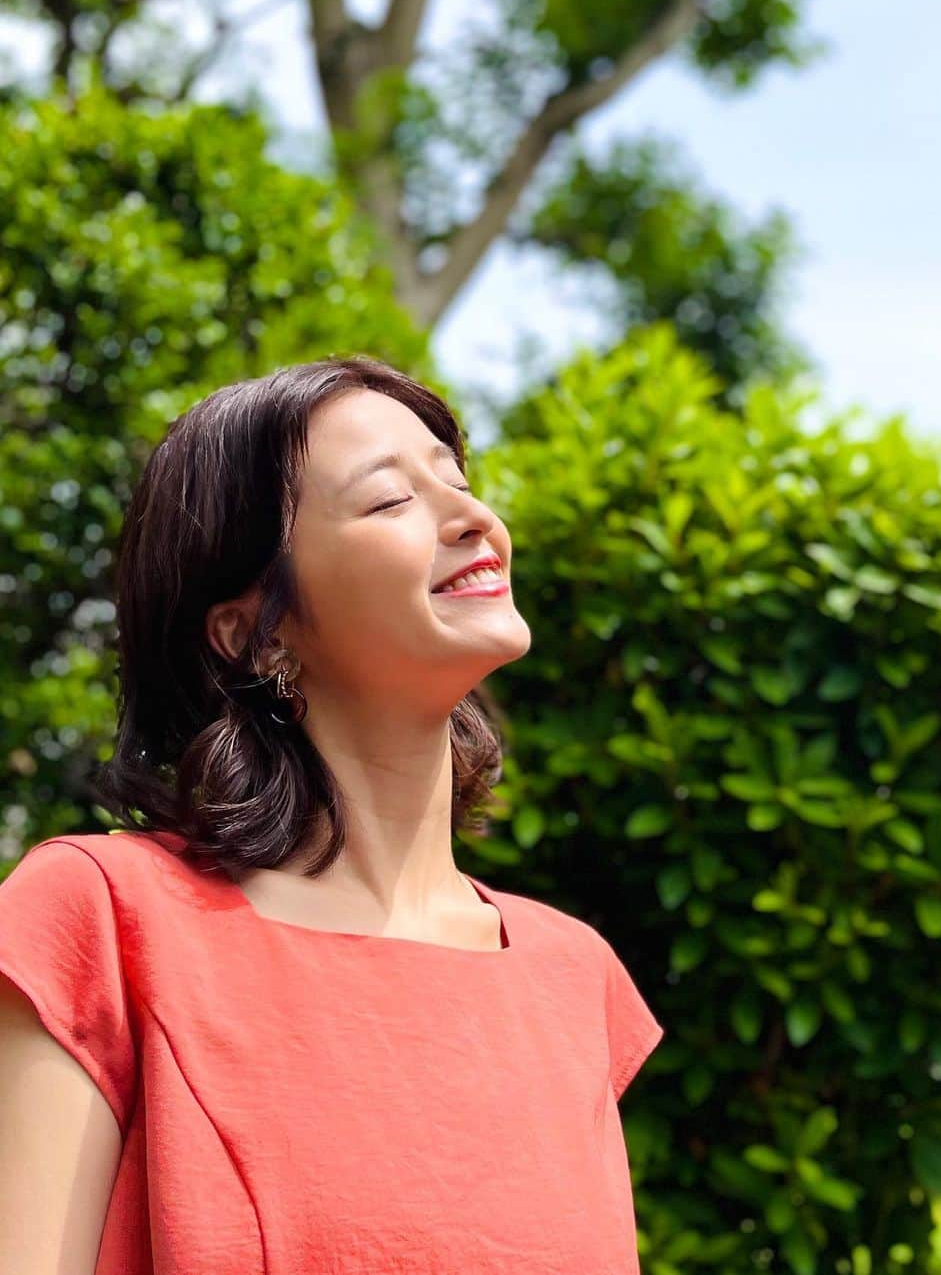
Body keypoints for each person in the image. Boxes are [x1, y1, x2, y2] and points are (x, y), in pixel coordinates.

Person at [0, 354, 665, 1275]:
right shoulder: (101, 918)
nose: (475, 519)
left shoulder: (572, 977)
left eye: (457, 481)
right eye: (391, 501)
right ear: (254, 628)